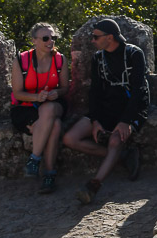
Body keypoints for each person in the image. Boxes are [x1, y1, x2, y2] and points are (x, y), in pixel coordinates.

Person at [63, 19, 149, 204]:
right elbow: (95, 92)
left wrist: (126, 121)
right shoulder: (98, 58)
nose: (92, 41)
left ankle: (94, 186)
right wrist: (95, 120)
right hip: (106, 109)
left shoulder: (134, 54)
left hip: (131, 109)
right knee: (70, 138)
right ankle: (124, 155)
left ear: (110, 37)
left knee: (115, 140)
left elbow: (139, 90)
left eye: (96, 37)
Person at [10, 22, 69, 194]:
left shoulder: (60, 60)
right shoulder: (21, 61)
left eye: (53, 37)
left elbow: (65, 88)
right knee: (55, 125)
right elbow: (18, 93)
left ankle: (34, 159)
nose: (50, 41)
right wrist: (37, 97)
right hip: (26, 107)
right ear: (34, 41)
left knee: (49, 109)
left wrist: (55, 94)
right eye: (45, 38)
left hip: (54, 104)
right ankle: (49, 174)